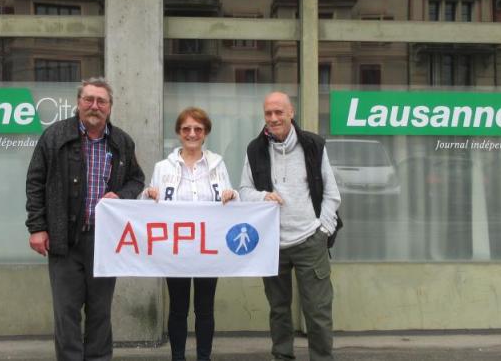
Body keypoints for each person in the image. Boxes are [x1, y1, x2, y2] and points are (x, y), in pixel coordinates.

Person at [25, 77, 145, 361]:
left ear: (110, 107)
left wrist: (120, 193)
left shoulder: (121, 142)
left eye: (101, 101)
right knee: (66, 313)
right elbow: (35, 181)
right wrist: (37, 227)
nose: (95, 106)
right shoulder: (55, 136)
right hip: (63, 239)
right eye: (89, 100)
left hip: (104, 242)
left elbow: (137, 179)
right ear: (78, 103)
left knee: (100, 312)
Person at [239, 92, 341, 361]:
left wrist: (323, 231)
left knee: (318, 311)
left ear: (291, 112)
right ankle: (282, 356)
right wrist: (263, 196)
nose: (273, 118)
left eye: (278, 112)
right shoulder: (255, 149)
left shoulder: (313, 145)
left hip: (310, 240)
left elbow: (332, 193)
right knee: (279, 310)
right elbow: (244, 190)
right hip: (272, 244)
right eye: (268, 113)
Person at [140, 107, 237, 361]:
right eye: (186, 129)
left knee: (205, 309)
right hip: (176, 250)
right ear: (178, 133)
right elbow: (149, 206)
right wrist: (148, 195)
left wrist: (232, 195)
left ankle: (204, 357)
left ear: (205, 134)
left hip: (209, 249)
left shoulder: (218, 165)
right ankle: (178, 357)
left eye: (198, 129)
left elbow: (232, 202)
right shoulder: (163, 167)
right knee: (178, 308)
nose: (192, 134)